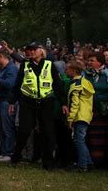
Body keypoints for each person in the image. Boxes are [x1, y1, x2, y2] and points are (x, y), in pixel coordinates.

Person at [9, 42, 68, 171]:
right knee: (24, 130)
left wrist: (63, 102)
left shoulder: (49, 65)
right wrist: (12, 102)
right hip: (28, 101)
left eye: (34, 49)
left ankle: (48, 162)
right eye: (29, 50)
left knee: (47, 131)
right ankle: (16, 157)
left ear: (41, 51)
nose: (31, 52)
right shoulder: (25, 65)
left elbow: (57, 85)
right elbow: (18, 84)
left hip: (45, 102)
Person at [65, 61, 95, 172]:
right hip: (86, 115)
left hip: (79, 115)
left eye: (67, 69)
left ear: (73, 70)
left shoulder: (76, 85)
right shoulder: (85, 82)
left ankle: (82, 166)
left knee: (79, 141)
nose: (65, 71)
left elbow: (75, 103)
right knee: (81, 140)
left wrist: (70, 118)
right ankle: (89, 163)